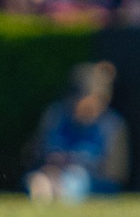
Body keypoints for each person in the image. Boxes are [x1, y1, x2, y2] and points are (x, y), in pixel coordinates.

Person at [23, 61, 129, 202]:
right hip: (55, 174)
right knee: (38, 179)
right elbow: (43, 151)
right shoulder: (56, 116)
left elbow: (116, 174)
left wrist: (78, 165)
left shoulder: (111, 125)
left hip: (94, 184)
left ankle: (58, 191)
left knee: (75, 180)